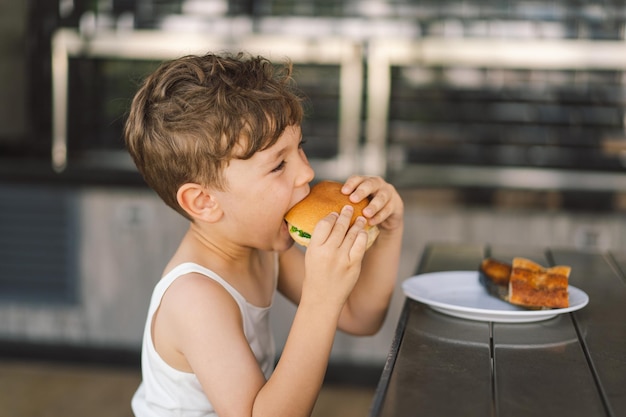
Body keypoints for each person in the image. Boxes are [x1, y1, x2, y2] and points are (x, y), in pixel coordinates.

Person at [124, 51, 404, 417]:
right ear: (204, 201)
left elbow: (361, 318)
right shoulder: (194, 298)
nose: (307, 173)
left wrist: (387, 231)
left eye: (299, 149)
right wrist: (320, 299)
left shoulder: (267, 248)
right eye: (278, 165)